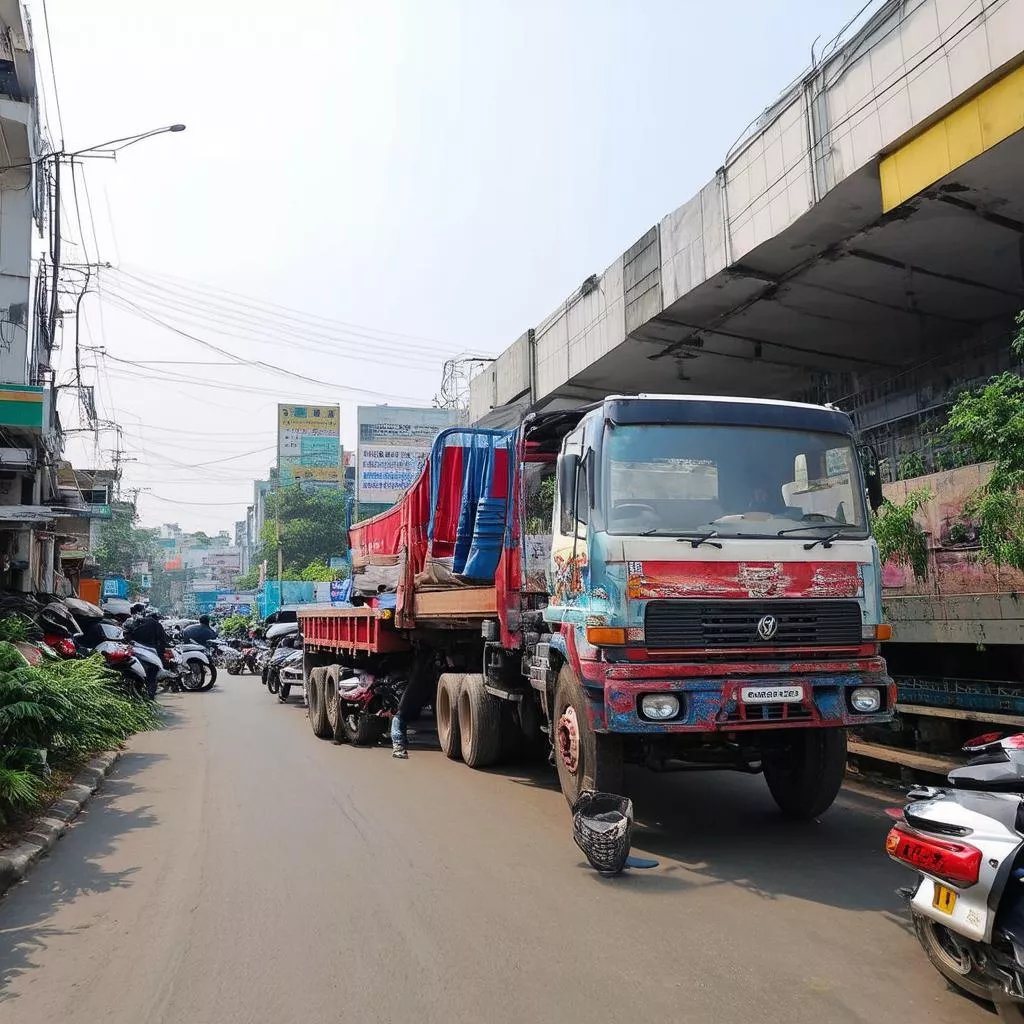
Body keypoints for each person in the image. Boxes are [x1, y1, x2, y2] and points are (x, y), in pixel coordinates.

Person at [123, 604, 172, 699]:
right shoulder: (155, 624)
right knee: (152, 678)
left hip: (136, 653)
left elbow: (127, 637)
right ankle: (150, 697)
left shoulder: (134, 622)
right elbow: (163, 640)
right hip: (151, 654)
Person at [390, 660, 436, 759]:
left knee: (402, 716)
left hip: (415, 688)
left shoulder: (417, 674)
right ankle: (398, 747)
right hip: (414, 690)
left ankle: (400, 744)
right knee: (401, 715)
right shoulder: (418, 678)